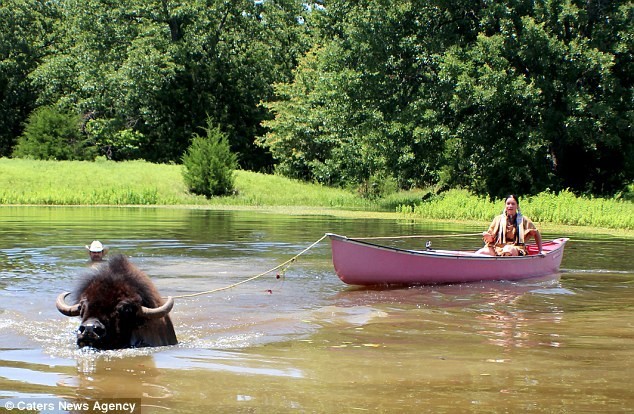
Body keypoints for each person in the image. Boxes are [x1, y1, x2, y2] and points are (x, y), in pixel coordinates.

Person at [476, 195, 544, 256]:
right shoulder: (497, 219)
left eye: (513, 204)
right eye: (508, 204)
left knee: (507, 249)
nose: (510, 206)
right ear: (505, 205)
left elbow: (536, 233)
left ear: (517, 206)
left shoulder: (524, 220)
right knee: (480, 252)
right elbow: (491, 240)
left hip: (516, 248)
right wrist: (487, 236)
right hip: (497, 248)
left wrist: (540, 250)